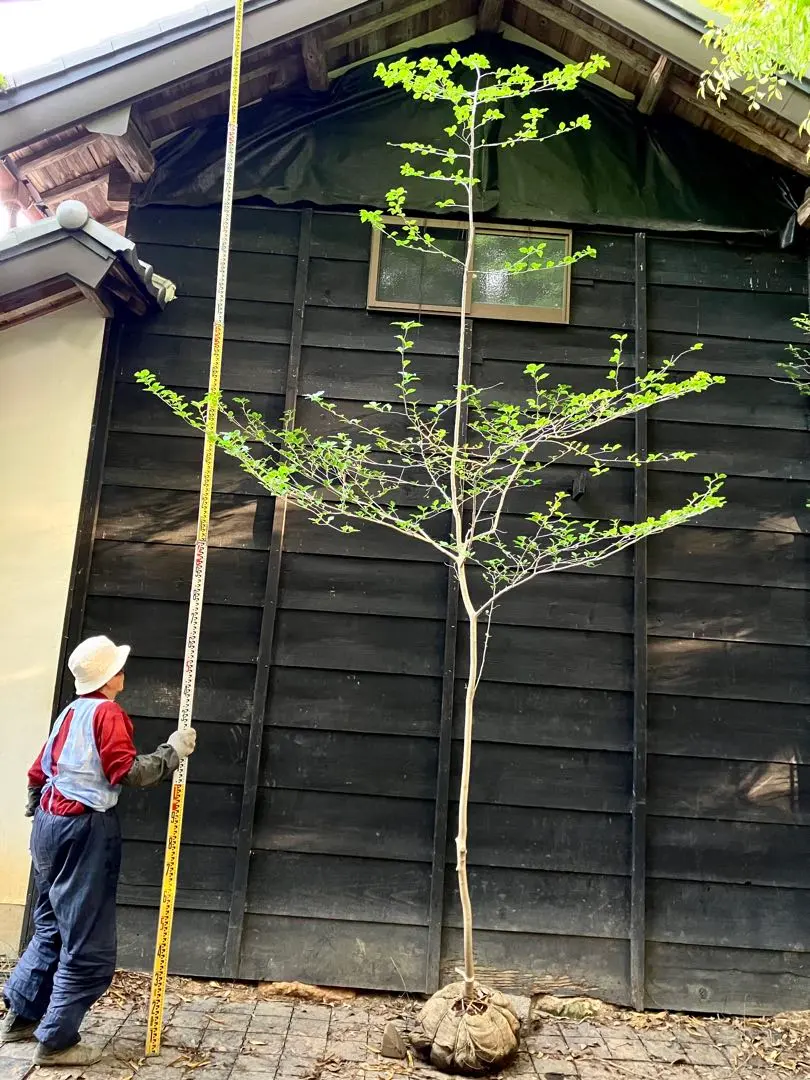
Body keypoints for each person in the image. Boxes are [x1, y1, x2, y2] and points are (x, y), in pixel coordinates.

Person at [0, 635, 197, 1067]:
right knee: (86, 937)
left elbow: (39, 771)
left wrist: (41, 809)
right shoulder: (107, 714)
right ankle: (57, 1041)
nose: (123, 672)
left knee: (50, 922)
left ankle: (21, 1014)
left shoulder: (69, 712)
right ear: (110, 677)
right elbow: (127, 772)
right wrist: (172, 752)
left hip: (49, 823)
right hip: (84, 827)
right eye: (119, 667)